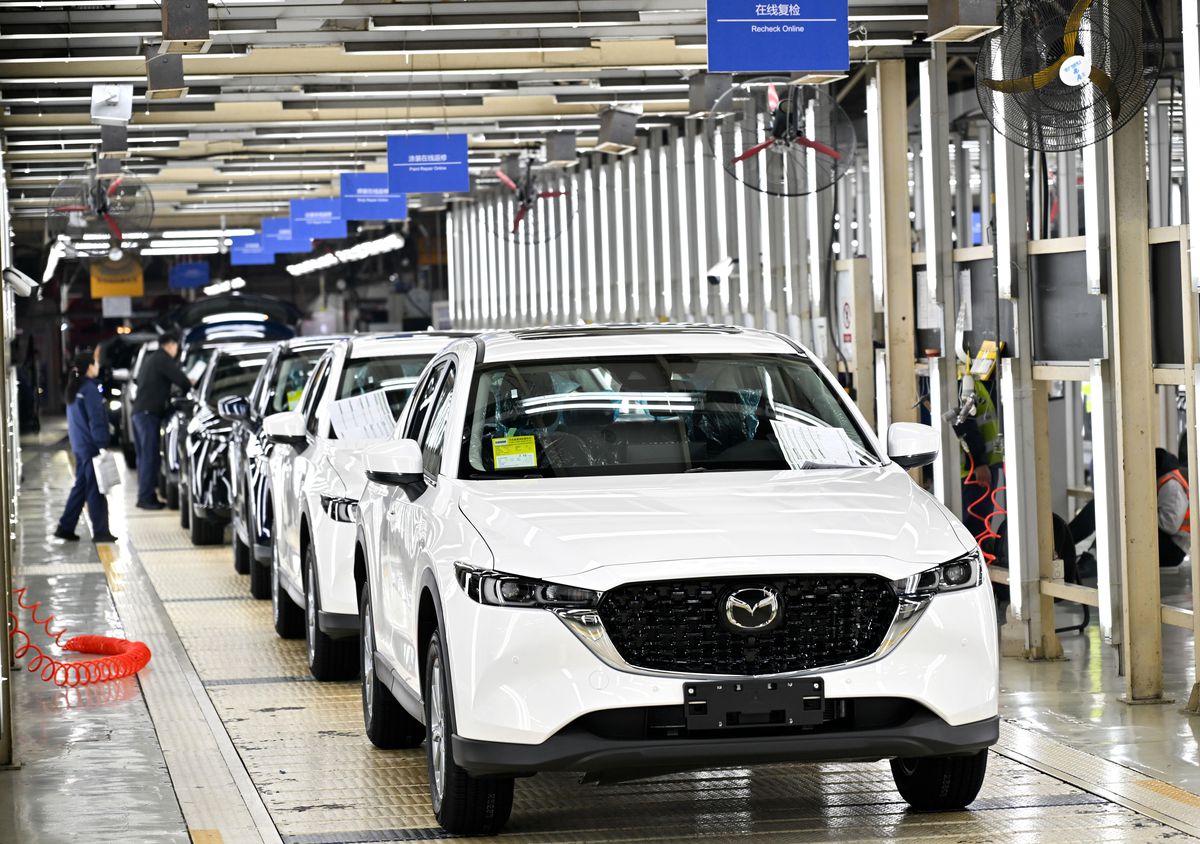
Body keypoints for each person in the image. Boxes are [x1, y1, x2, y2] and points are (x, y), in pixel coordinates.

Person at [1069, 447, 1190, 568]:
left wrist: (1136, 510)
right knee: (1106, 507)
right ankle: (1083, 549)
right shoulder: (1161, 479)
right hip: (1165, 542)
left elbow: (1169, 525)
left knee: (1119, 517)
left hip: (1172, 550)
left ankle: (1083, 550)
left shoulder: (1171, 485)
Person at [55, 352, 117, 543]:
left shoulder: (74, 387)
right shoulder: (89, 389)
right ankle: (101, 531)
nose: (98, 366)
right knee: (96, 488)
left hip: (79, 444)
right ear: (90, 366)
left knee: (82, 485)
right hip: (90, 446)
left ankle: (65, 527)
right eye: (96, 363)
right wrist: (102, 444)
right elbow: (96, 419)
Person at [131, 331, 192, 510]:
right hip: (147, 415)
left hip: (140, 413)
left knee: (144, 457)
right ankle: (145, 498)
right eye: (177, 346)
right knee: (149, 457)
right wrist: (189, 384)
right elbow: (182, 381)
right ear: (171, 345)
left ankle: (147, 496)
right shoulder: (163, 359)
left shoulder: (152, 359)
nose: (177, 350)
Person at [953, 373, 1004, 540]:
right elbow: (964, 423)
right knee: (976, 529)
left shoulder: (973, 380)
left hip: (983, 465)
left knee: (980, 526)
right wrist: (979, 463)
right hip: (975, 471)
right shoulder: (962, 383)